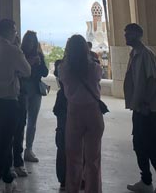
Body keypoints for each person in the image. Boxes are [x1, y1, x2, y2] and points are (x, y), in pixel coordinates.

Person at [0, 18, 31, 193]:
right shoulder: (13, 50)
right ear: (11, 31)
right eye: (15, 31)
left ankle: (7, 177)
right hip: (9, 102)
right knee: (4, 145)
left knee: (1, 140)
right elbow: (27, 71)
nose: (16, 34)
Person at [124, 23, 156, 193]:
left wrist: (146, 104)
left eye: (130, 34)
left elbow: (152, 80)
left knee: (153, 147)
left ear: (138, 35)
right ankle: (146, 181)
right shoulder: (134, 54)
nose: (126, 36)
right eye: (126, 33)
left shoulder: (145, 54)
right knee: (139, 144)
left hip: (148, 109)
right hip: (139, 108)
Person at [59, 34, 104, 193]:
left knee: (73, 158)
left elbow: (63, 84)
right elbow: (99, 77)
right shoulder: (94, 67)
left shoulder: (64, 69)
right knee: (93, 159)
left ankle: (72, 189)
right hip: (93, 111)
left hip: (74, 111)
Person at [13, 29, 49, 173]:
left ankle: (29, 149)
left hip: (35, 90)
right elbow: (17, 71)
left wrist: (38, 64)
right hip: (22, 90)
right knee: (21, 121)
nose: (30, 43)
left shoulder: (38, 54)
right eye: (28, 40)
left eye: (33, 41)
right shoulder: (19, 54)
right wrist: (29, 63)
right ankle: (18, 150)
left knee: (32, 121)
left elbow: (45, 72)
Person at [53, 58, 67, 191]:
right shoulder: (92, 66)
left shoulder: (63, 66)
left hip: (63, 104)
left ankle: (63, 178)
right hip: (82, 107)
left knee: (62, 145)